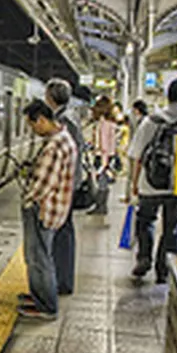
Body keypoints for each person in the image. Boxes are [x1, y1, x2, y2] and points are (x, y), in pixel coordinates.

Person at [127, 79, 177, 283]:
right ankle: (164, 268)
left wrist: (134, 184)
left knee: (145, 221)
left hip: (149, 184)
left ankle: (144, 258)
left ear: (167, 95)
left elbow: (137, 155)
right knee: (172, 229)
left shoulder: (151, 121)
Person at [17, 99, 77, 320]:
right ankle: (39, 296)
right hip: (55, 209)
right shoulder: (65, 138)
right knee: (41, 255)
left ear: (42, 120)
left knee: (39, 258)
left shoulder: (54, 146)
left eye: (33, 126)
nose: (33, 131)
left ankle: (46, 306)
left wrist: (27, 199)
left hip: (43, 209)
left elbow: (42, 185)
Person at [43, 78, 83, 296]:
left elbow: (69, 157)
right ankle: (60, 279)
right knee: (62, 232)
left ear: (50, 98)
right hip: (68, 184)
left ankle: (62, 281)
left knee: (61, 233)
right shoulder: (69, 117)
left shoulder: (65, 121)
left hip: (65, 185)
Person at [89, 96, 117, 215]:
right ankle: (101, 206)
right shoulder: (110, 122)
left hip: (103, 156)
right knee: (103, 181)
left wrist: (103, 163)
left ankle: (100, 206)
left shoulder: (103, 124)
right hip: (109, 156)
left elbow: (104, 144)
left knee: (101, 181)